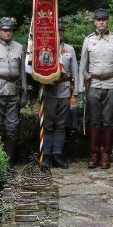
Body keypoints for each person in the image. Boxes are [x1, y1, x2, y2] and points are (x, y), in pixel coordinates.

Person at [79, 8, 113, 170]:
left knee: (109, 121)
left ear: (108, 21)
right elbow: (82, 65)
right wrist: (81, 87)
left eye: (104, 20)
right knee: (94, 120)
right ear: (94, 22)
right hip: (93, 84)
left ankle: (106, 154)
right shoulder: (88, 40)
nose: (101, 22)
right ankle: (94, 154)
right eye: (98, 20)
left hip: (112, 84)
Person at [0, 17, 27, 167]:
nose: (8, 33)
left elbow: (22, 71)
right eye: (5, 30)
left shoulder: (19, 47)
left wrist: (24, 91)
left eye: (10, 30)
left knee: (13, 126)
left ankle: (8, 162)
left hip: (13, 91)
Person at [41, 19, 79, 169]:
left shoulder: (69, 49)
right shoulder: (44, 48)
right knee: (48, 124)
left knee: (61, 124)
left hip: (64, 90)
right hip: (50, 90)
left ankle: (57, 154)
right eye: (57, 31)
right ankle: (47, 156)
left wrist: (76, 92)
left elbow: (74, 71)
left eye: (62, 31)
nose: (60, 33)